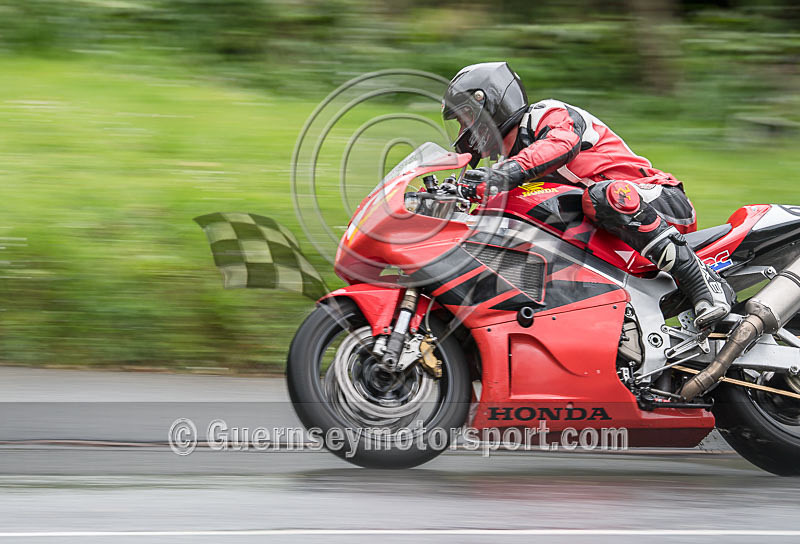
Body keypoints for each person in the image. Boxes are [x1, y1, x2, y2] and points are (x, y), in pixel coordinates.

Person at [442, 61, 733, 328]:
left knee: (603, 195)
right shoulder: (507, 162)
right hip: (612, 231)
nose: (463, 129)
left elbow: (559, 145)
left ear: (491, 102)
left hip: (658, 202)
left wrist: (501, 176)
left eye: (465, 116)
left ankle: (702, 281)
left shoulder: (546, 114)